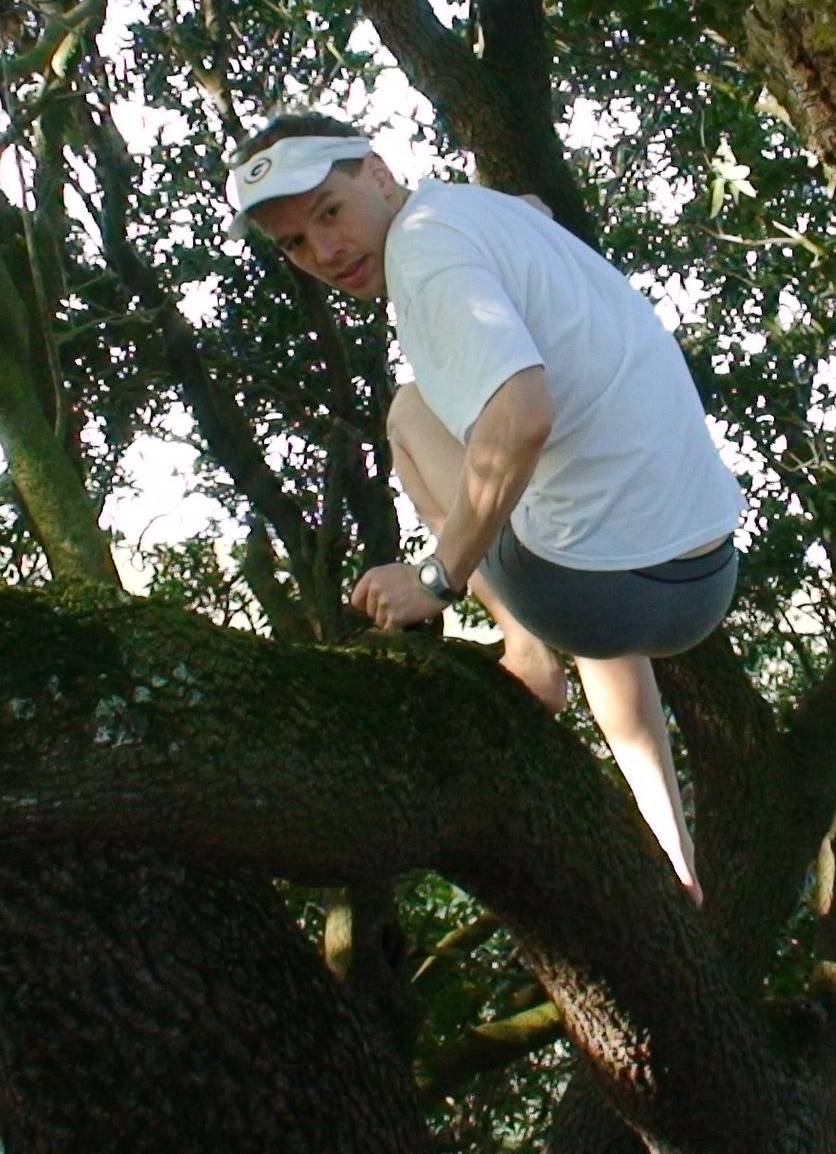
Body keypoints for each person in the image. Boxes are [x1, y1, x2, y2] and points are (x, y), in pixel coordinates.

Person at [227, 112, 742, 902]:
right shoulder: (469, 210)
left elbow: (521, 417)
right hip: (702, 579)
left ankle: (528, 650)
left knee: (410, 413)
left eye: (329, 212)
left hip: (599, 595)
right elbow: (531, 212)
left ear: (378, 172)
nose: (325, 254)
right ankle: (673, 852)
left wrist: (437, 576)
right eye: (296, 244)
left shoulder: (425, 256)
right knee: (571, 513)